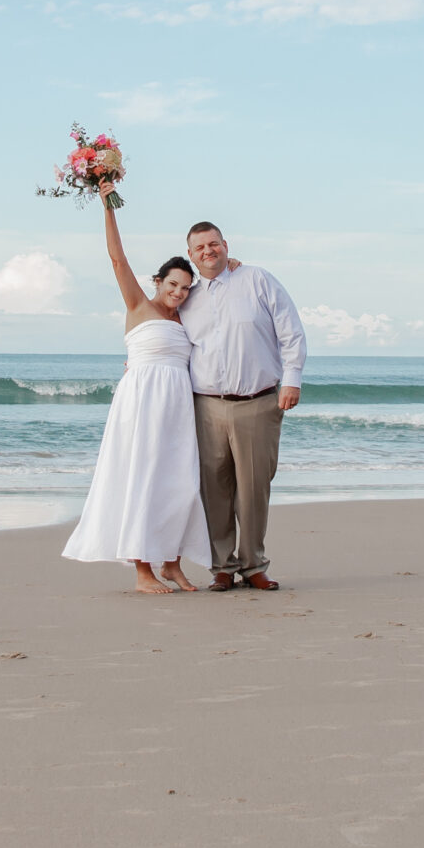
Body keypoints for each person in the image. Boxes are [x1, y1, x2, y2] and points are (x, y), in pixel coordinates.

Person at [59, 192, 212, 593]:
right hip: (141, 404)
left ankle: (172, 563)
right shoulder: (138, 306)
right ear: (158, 282)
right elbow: (117, 258)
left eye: (185, 288)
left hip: (178, 407)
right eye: (173, 285)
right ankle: (143, 570)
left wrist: (230, 264)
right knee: (141, 481)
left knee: (182, 483)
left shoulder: (187, 317)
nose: (179, 293)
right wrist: (107, 205)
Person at [178, 220, 305, 592]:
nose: (208, 252)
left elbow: (290, 329)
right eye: (200, 248)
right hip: (206, 406)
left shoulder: (256, 280)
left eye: (213, 244)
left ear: (226, 245)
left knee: (253, 489)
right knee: (214, 489)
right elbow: (168, 333)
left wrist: (292, 378)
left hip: (258, 401)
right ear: (191, 255)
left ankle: (253, 565)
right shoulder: (188, 296)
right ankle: (222, 567)